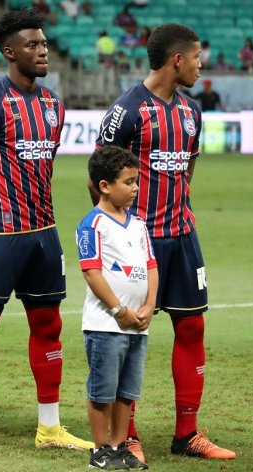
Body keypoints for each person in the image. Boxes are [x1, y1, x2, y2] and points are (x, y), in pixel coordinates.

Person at [0, 9, 92, 458]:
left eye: (44, 43)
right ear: (10, 52)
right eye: (33, 45)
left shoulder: (53, 104)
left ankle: (49, 426)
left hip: (44, 235)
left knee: (49, 327)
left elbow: (43, 167)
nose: (43, 50)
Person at [96, 23, 235, 461]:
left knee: (192, 326)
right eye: (196, 57)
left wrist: (180, 211)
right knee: (130, 333)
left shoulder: (192, 111)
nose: (200, 65)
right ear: (178, 59)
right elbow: (98, 177)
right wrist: (119, 233)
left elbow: (186, 171)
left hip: (182, 236)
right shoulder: (127, 111)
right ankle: (128, 433)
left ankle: (187, 434)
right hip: (138, 242)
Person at [77, 146, 156, 471]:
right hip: (106, 325)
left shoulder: (137, 224)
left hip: (138, 324)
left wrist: (149, 305)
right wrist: (119, 309)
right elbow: (92, 272)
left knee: (126, 391)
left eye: (136, 181)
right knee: (103, 391)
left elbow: (151, 266)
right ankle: (100, 449)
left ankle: (120, 445)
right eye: (129, 182)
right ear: (105, 186)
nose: (135, 188)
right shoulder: (93, 224)